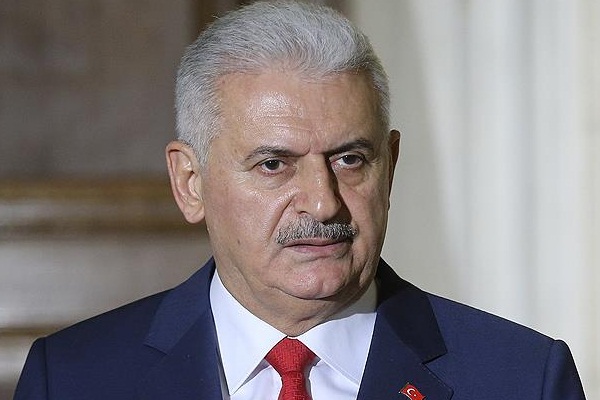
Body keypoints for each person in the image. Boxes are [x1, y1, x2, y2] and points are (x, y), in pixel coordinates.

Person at [15, 1, 586, 399]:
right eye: (274, 165)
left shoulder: (522, 380)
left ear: (390, 169)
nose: (323, 203)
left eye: (350, 160)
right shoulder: (72, 380)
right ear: (190, 183)